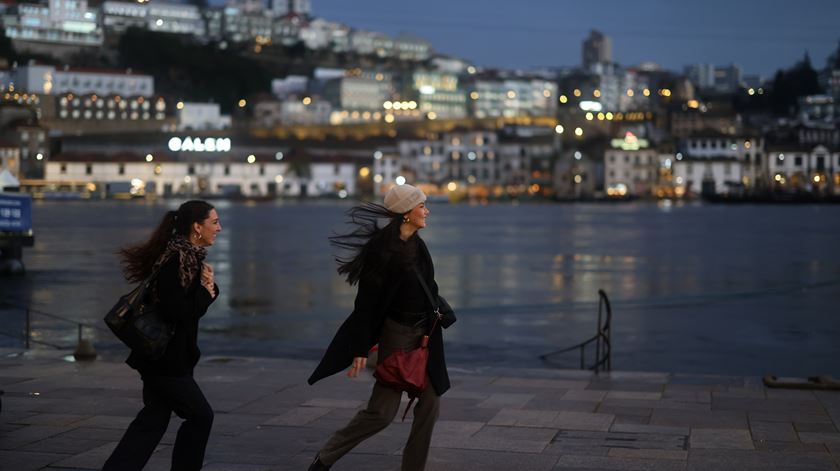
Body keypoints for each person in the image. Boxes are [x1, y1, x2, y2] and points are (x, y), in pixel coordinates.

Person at [307, 184, 456, 471]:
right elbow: (366, 305)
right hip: (396, 337)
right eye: (422, 205)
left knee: (430, 404)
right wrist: (362, 348)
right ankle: (325, 458)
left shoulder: (418, 245)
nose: (427, 210)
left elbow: (431, 287)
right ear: (405, 213)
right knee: (381, 414)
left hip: (425, 335)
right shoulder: (382, 250)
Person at [103, 200, 221, 471]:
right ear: (196, 227)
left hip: (162, 357)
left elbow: (189, 306)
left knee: (152, 420)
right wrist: (205, 291)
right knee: (201, 417)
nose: (219, 228)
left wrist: (209, 288)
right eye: (214, 222)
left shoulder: (188, 259)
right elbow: (175, 311)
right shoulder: (177, 260)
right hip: (167, 361)